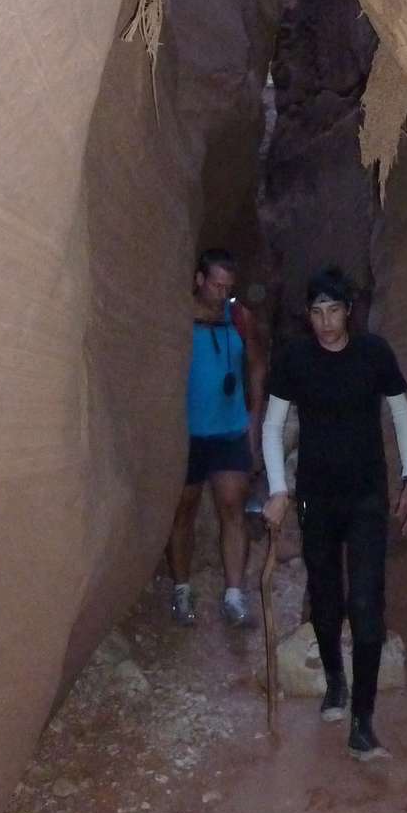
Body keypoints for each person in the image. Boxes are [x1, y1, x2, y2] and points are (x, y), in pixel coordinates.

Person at [262, 266, 407, 760]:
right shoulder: (295, 359)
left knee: (367, 604)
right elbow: (272, 425)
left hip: (367, 497)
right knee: (326, 599)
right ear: (307, 315)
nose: (326, 322)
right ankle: (335, 679)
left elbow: (401, 412)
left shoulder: (374, 354)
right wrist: (278, 489)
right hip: (317, 497)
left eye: (334, 310)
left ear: (349, 311)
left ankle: (363, 722)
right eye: (317, 312)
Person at [167, 247, 267, 627]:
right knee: (183, 510)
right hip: (187, 434)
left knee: (232, 509)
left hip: (229, 431)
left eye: (228, 287)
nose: (223, 294)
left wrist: (253, 425)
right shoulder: (178, 317)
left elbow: (256, 368)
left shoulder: (239, 318)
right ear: (199, 279)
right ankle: (181, 589)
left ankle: (234, 595)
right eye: (216, 285)